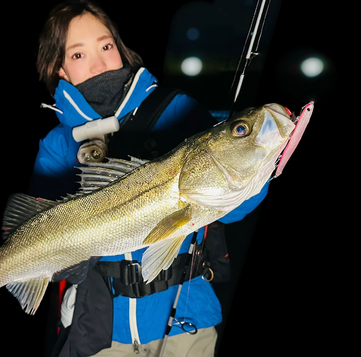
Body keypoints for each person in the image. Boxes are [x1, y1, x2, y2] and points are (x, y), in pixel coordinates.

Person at [29, 1, 269, 356]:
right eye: (78, 55)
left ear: (121, 49)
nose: (99, 63)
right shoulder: (57, 145)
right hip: (100, 332)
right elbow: (37, 233)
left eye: (106, 46)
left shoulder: (177, 109)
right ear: (59, 70)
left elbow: (232, 209)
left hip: (187, 321)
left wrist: (259, 166)